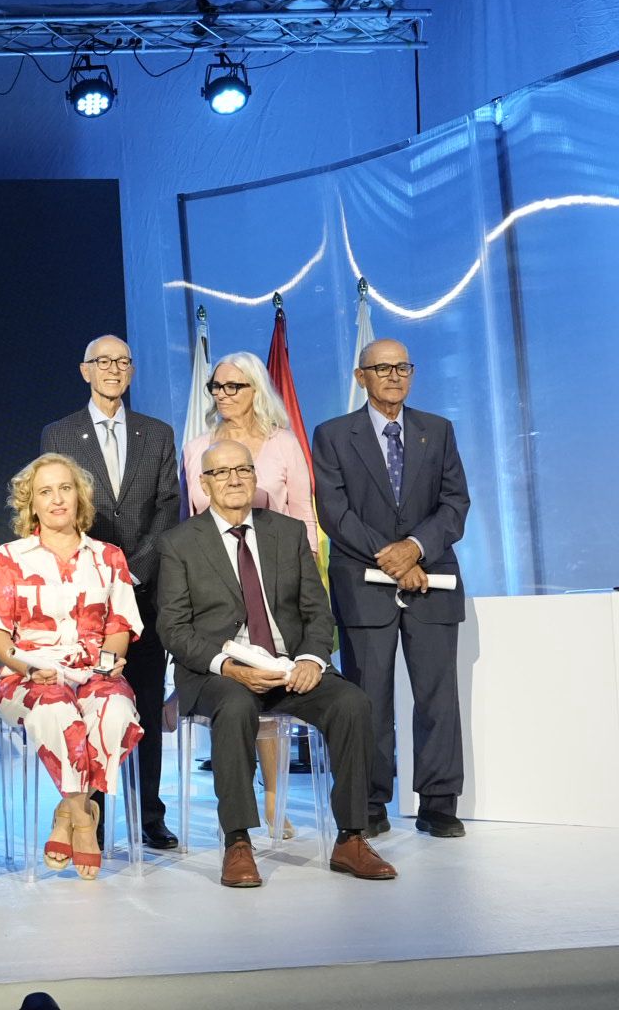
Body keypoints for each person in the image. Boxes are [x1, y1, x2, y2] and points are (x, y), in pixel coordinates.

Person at [156, 440, 397, 888]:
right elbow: (173, 628)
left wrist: (309, 659)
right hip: (218, 672)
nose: (233, 479)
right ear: (204, 483)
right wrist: (229, 667)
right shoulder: (178, 543)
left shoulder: (286, 532)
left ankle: (351, 837)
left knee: (352, 704)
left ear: (254, 477)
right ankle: (238, 841)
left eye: (242, 470)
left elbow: (317, 613)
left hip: (287, 668)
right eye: (221, 472)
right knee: (235, 706)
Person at [313, 339, 470, 839]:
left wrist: (416, 548)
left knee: (437, 697)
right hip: (365, 584)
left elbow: (455, 504)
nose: (394, 376)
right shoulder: (334, 435)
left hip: (432, 581)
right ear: (361, 377)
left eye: (402, 367)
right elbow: (335, 514)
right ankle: (370, 801)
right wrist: (394, 556)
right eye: (382, 368)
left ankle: (439, 801)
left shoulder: (437, 431)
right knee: (368, 699)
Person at [40, 334, 181, 851]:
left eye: (123, 362)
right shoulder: (60, 432)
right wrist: (100, 577)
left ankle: (150, 814)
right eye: (103, 362)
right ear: (85, 371)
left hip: (143, 590)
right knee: (93, 703)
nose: (113, 370)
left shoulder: (157, 433)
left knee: (142, 699)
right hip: (83, 597)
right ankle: (90, 814)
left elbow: (169, 509)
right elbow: (58, 510)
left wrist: (132, 572)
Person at [0, 454, 142, 880]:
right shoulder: (9, 557)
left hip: (93, 672)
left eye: (64, 488)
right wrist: (27, 668)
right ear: (31, 503)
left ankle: (67, 813)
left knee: (115, 711)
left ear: (79, 495)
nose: (56, 499)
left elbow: (119, 625)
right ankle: (86, 821)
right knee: (58, 713)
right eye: (45, 492)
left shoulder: (108, 556)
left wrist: (109, 663)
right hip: (28, 676)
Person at [182, 350, 319, 838]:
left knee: (274, 692)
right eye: (216, 387)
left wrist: (308, 583)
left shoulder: (283, 446)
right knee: (235, 698)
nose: (222, 395)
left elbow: (303, 515)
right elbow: (192, 524)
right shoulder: (197, 446)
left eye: (232, 387)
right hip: (218, 591)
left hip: (276, 586)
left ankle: (275, 804)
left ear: (256, 390)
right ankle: (236, 808)